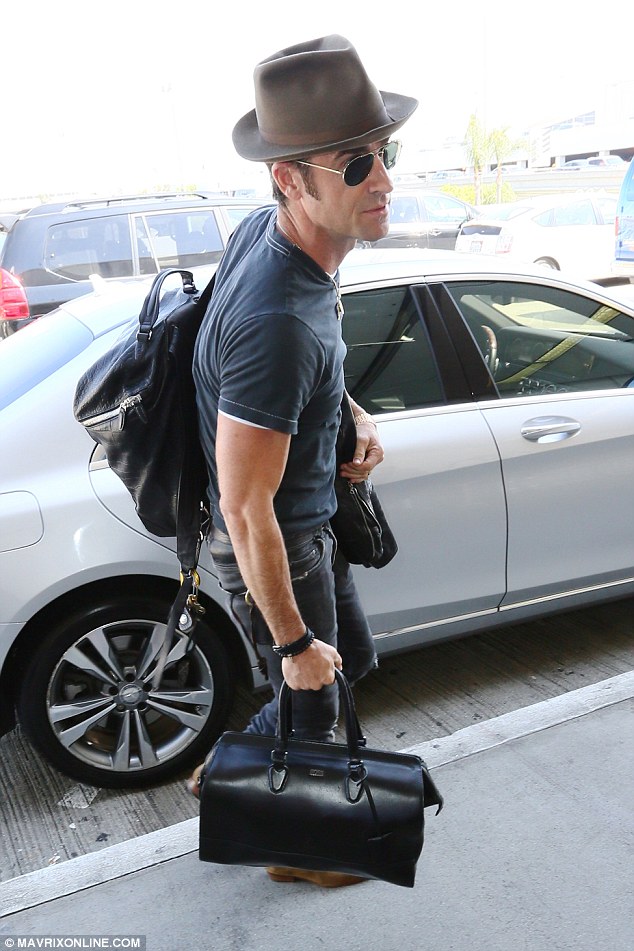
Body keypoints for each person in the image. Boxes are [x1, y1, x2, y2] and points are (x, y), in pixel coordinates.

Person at [190, 34, 417, 887]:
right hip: (277, 540)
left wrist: (346, 408)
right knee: (312, 686)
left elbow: (295, 373)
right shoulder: (277, 318)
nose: (383, 180)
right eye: (356, 165)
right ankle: (297, 850)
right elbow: (246, 507)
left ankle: (231, 772)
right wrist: (289, 638)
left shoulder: (276, 235)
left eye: (386, 153)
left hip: (308, 520)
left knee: (347, 662)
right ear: (290, 179)